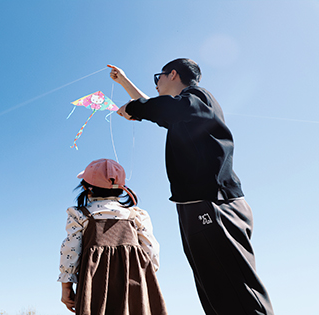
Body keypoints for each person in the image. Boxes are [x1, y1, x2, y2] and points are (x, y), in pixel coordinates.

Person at [109, 59, 274, 315]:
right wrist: (124, 83)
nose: (156, 84)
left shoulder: (198, 97)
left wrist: (135, 108)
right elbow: (159, 110)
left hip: (213, 204)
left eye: (158, 78)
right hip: (196, 206)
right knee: (215, 292)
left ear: (173, 74)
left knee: (236, 292)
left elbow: (162, 109)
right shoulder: (185, 113)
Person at [58, 158, 167, 315]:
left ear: (87, 188)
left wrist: (66, 286)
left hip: (94, 284)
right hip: (133, 283)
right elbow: (151, 251)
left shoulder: (80, 215)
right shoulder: (137, 215)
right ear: (121, 189)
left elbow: (70, 250)